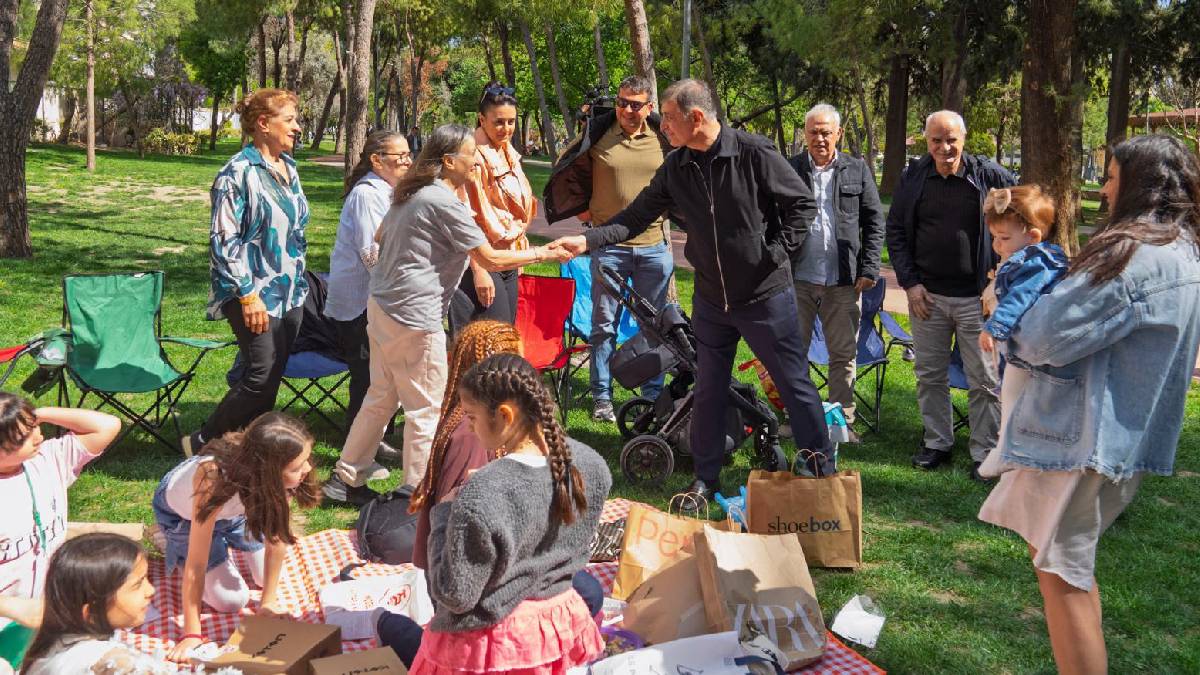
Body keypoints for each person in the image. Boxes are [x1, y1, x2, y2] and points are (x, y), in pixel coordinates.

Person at [550, 78, 832, 508]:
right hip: (712, 300)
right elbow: (634, 217)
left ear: (696, 117)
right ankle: (705, 479)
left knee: (794, 383)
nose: (664, 128)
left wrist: (773, 255)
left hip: (764, 296)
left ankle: (819, 469)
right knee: (709, 387)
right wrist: (586, 242)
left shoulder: (754, 153)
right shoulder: (678, 166)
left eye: (670, 121)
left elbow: (801, 206)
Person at [977, 134, 1200, 675]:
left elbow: (1043, 334)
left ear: (1141, 184)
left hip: (1082, 439)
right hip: (1111, 437)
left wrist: (1003, 307)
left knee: (1063, 574)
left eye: (1111, 178)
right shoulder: (1183, 248)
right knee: (1067, 568)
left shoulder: (1138, 255)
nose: (1102, 189)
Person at [324, 124, 570, 506]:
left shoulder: (411, 193)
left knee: (381, 398)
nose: (477, 161)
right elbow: (489, 257)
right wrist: (546, 254)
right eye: (472, 155)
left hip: (383, 309)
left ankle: (346, 479)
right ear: (450, 161)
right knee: (426, 408)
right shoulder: (442, 201)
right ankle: (417, 493)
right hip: (414, 317)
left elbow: (379, 240)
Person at [376, 353, 611, 673]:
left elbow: (453, 594)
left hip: (492, 644)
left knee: (399, 635)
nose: (470, 428)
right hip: (555, 627)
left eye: (471, 417)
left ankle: (381, 621)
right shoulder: (591, 465)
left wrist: (444, 513)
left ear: (503, 415)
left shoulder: (482, 494)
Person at [884, 110, 1015, 480]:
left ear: (964, 137)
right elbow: (895, 231)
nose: (945, 148)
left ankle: (985, 450)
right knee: (929, 375)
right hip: (928, 298)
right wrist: (910, 284)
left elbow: (1023, 217)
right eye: (936, 140)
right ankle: (937, 441)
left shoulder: (987, 176)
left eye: (951, 140)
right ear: (927, 141)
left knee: (985, 380)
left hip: (978, 299)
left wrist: (998, 278)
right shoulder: (913, 178)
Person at [184, 88, 309, 456]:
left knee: (271, 377)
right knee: (259, 374)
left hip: (289, 292)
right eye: (290, 120)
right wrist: (248, 294)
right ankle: (202, 442)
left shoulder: (290, 169)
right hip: (250, 292)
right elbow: (224, 241)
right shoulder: (236, 173)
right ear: (263, 124)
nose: (297, 128)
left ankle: (246, 447)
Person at [544, 74, 675, 422]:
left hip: (653, 248)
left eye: (635, 104)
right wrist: (583, 208)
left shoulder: (664, 139)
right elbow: (568, 166)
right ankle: (602, 398)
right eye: (621, 103)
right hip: (609, 247)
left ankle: (651, 394)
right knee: (603, 326)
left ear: (649, 107)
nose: (627, 110)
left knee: (653, 326)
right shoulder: (599, 135)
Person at [157, 412, 319, 662]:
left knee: (271, 578)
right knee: (231, 601)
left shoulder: (273, 480)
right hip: (185, 519)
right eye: (298, 467)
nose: (307, 469)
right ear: (268, 469)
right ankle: (168, 539)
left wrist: (268, 602)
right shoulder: (211, 477)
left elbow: (276, 540)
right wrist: (192, 634)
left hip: (234, 514)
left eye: (306, 460)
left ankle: (221, 544)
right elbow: (197, 563)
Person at [0, 396, 120, 672]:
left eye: (35, 428)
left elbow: (108, 425)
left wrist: (36, 414)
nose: (37, 438)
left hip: (46, 609)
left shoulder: (48, 459)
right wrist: (12, 608)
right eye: (21, 437)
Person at [787, 104, 885, 439]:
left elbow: (874, 222)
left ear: (838, 134)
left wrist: (869, 266)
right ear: (805, 134)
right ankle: (797, 419)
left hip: (843, 280)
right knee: (792, 353)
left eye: (826, 131)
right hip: (797, 279)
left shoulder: (857, 169)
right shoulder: (791, 169)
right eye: (813, 131)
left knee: (842, 355)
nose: (819, 138)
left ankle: (841, 424)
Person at [323, 130, 413, 480]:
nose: (408, 161)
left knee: (382, 375)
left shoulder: (391, 192)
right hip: (360, 303)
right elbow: (371, 254)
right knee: (367, 378)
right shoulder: (366, 195)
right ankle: (357, 449)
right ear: (377, 160)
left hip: (383, 298)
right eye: (400, 155)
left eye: (409, 154)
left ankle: (376, 440)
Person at [447, 82, 538, 335]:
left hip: (507, 258)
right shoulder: (471, 156)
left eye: (511, 121)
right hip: (482, 259)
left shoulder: (508, 152)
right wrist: (479, 270)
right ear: (481, 119)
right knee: (486, 344)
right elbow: (463, 218)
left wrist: (519, 251)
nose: (506, 128)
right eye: (499, 122)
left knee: (503, 336)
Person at [20, 533, 159, 675]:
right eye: (137, 584)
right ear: (91, 612)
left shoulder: (56, 640)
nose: (151, 590)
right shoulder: (111, 664)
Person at [976, 185, 1068, 360]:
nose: (997, 244)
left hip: (1029, 348)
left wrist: (994, 328)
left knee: (1012, 387)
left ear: (1033, 237)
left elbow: (1019, 297)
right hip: (1020, 343)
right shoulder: (1021, 260)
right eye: (994, 237)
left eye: (1004, 238)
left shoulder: (1036, 266)